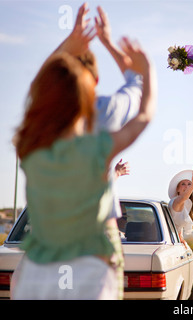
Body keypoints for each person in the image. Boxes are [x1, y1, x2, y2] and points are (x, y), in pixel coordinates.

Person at [10, 14, 157, 300]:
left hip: (37, 270)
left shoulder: (29, 145)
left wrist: (68, 45)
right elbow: (143, 112)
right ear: (89, 92)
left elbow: (37, 90)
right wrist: (146, 69)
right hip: (92, 267)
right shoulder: (98, 146)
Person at [168, 167, 193, 247]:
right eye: (183, 184)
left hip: (175, 241)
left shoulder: (188, 203)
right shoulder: (176, 201)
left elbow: (178, 225)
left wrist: (181, 238)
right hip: (170, 243)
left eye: (189, 184)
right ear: (177, 189)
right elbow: (183, 198)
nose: (187, 187)